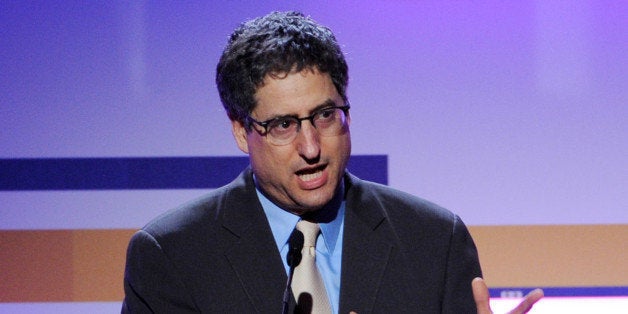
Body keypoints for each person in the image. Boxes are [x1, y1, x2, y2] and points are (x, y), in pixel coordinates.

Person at [122, 11, 542, 313]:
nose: (311, 147)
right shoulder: (172, 255)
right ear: (240, 130)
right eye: (284, 124)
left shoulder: (433, 241)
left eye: (325, 115)